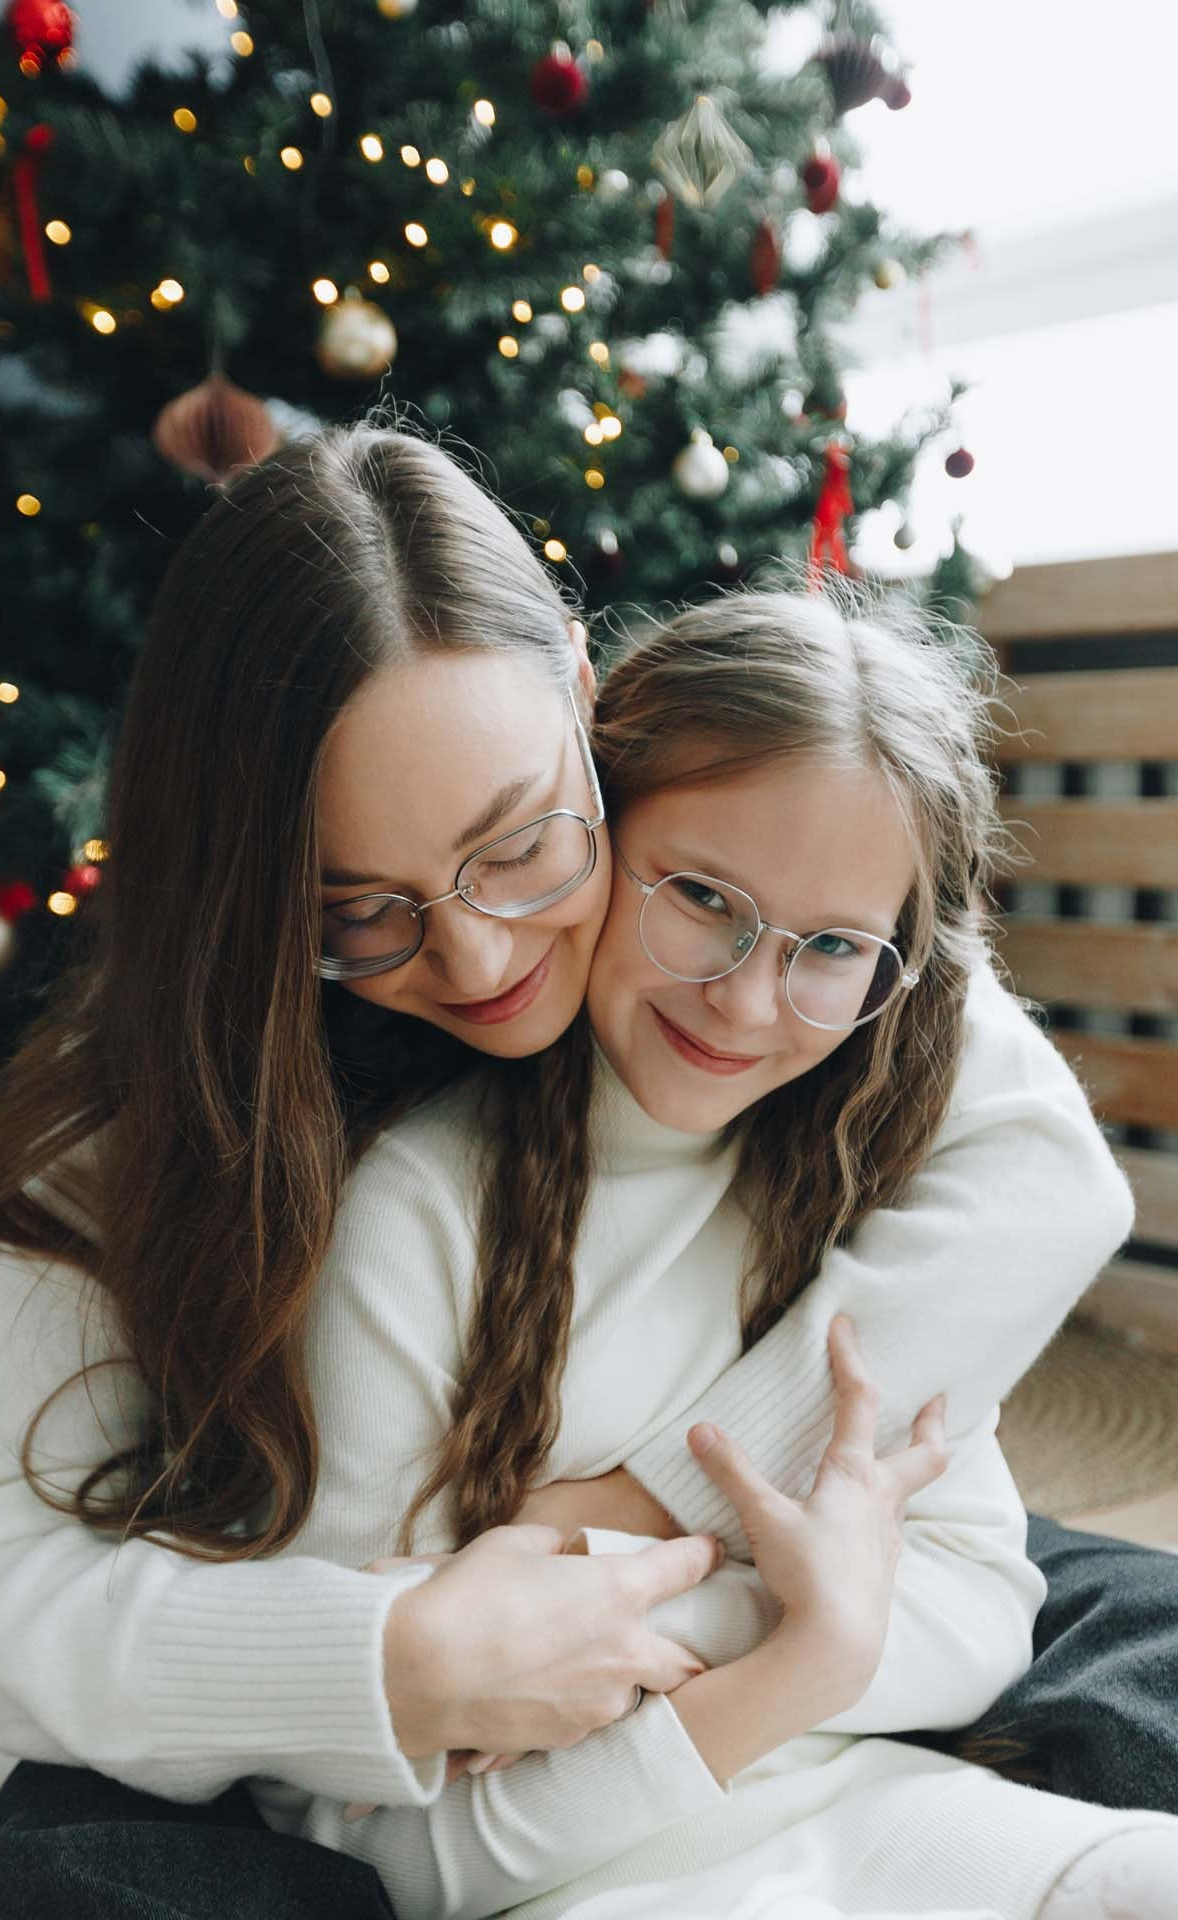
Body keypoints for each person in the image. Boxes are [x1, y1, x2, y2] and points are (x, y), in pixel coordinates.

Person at [0, 426, 1170, 1918]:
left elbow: (1042, 1171)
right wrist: (395, 1658)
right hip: (308, 1646)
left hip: (697, 1569)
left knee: (1134, 1665)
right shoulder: (172, 1114)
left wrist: (639, 1513)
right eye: (359, 910)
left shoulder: (741, 893)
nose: (483, 958)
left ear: (589, 702)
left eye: (522, 847)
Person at [250, 588, 1178, 1919]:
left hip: (916, 1812)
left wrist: (651, 1602)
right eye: (700, 896)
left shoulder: (864, 1177)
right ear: (586, 829)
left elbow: (981, 1609)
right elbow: (359, 1825)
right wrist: (805, 1641)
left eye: (835, 948)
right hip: (588, 1873)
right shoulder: (423, 1213)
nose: (747, 998)